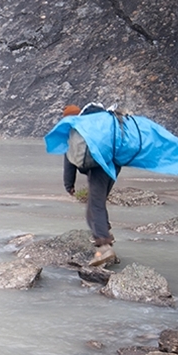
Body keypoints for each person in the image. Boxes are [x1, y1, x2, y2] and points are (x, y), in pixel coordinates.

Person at [61, 103, 118, 266]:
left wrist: (69, 185)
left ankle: (104, 246)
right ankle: (106, 234)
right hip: (113, 167)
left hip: (98, 170)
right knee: (97, 204)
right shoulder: (100, 128)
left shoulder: (76, 132)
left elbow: (69, 161)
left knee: (94, 208)